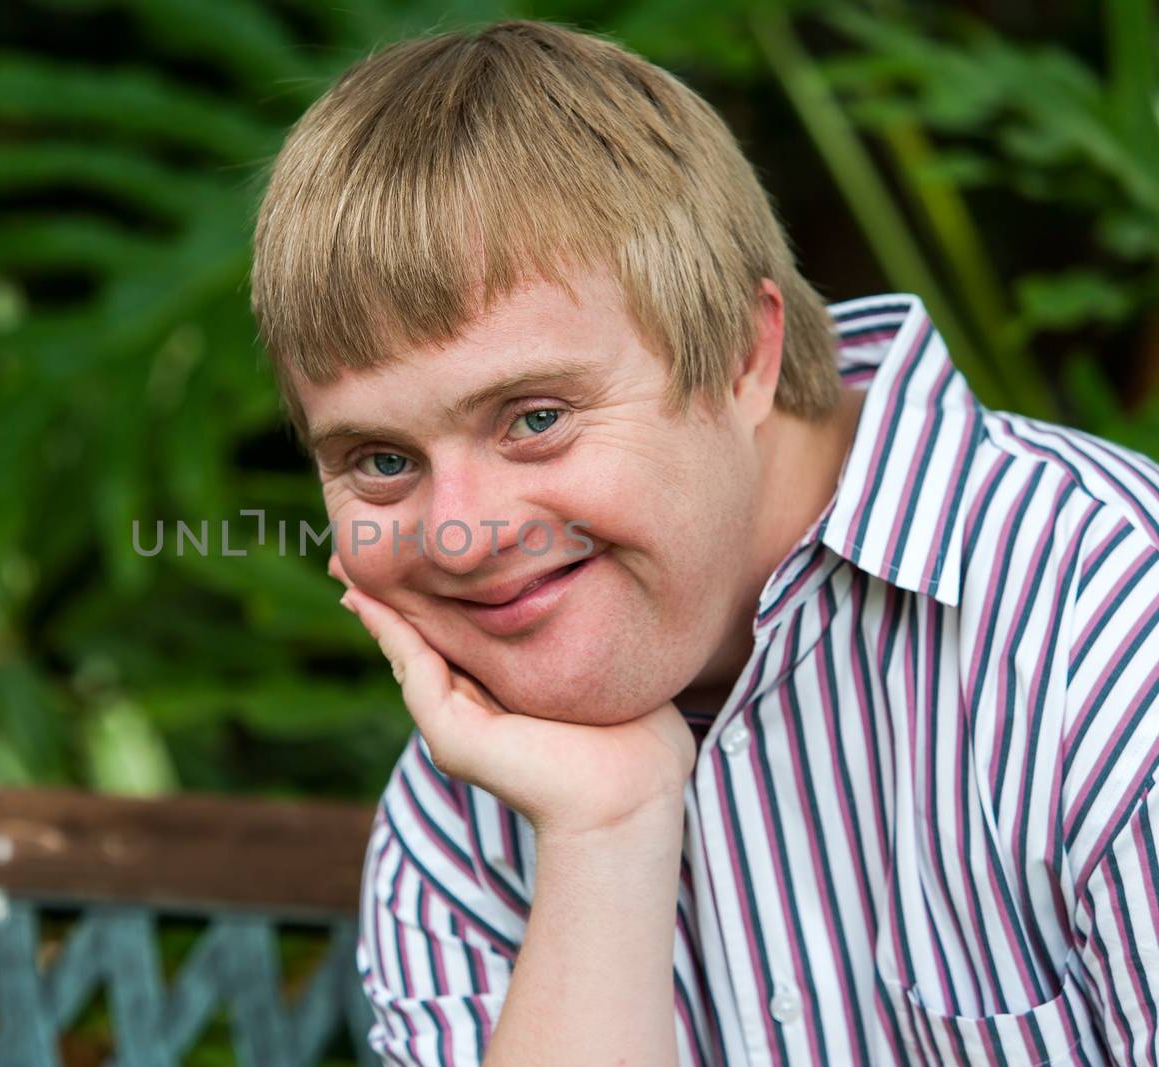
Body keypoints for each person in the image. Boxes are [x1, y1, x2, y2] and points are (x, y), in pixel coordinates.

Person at [249, 19, 1159, 1067]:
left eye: (534, 417)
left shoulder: (1110, 634)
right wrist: (604, 833)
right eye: (379, 460)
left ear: (741, 354)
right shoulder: (467, 804)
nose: (462, 530)